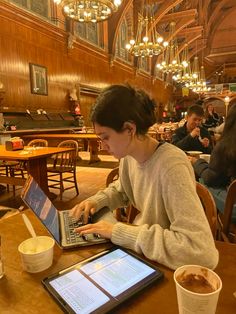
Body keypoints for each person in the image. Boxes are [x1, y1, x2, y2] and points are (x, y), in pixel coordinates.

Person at [70, 84, 218, 270]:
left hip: (164, 266)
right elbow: (122, 189)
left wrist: (120, 232)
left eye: (105, 137)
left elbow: (201, 252)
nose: (102, 145)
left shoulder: (172, 166)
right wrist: (96, 201)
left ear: (130, 129)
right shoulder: (129, 157)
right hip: (140, 251)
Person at [192, 104, 236, 188]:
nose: (197, 122)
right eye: (194, 119)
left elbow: (211, 178)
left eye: (199, 120)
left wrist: (197, 162)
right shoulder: (179, 131)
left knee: (196, 185)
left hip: (230, 197)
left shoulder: (227, 144)